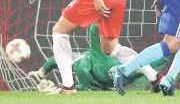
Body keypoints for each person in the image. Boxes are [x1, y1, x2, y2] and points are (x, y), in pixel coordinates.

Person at [28, 24, 170, 92]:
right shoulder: (84, 58)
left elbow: (56, 60)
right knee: (133, 62)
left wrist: (40, 73)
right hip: (114, 71)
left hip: (101, 74)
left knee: (98, 40)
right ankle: (158, 73)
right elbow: (56, 61)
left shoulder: (79, 58)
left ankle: (57, 89)